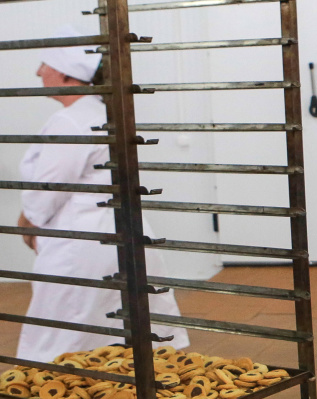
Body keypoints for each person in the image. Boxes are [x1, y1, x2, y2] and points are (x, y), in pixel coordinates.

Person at [16, 26, 189, 362]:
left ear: (65, 74)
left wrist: (28, 221)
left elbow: (49, 190)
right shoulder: (107, 114)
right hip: (125, 234)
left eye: (45, 64)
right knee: (132, 339)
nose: (38, 72)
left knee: (64, 345)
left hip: (81, 246)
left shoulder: (70, 122)